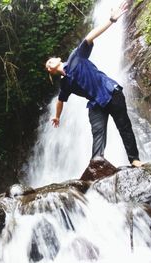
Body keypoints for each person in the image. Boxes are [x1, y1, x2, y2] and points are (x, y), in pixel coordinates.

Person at [45, 0, 142, 167]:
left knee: (124, 127)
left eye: (50, 60)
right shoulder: (65, 84)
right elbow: (61, 101)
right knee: (97, 132)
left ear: (58, 60)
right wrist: (57, 117)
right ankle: (97, 164)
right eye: (47, 66)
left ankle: (134, 160)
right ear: (50, 72)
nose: (48, 63)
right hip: (96, 103)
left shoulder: (76, 56)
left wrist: (111, 20)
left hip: (111, 92)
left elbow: (90, 36)